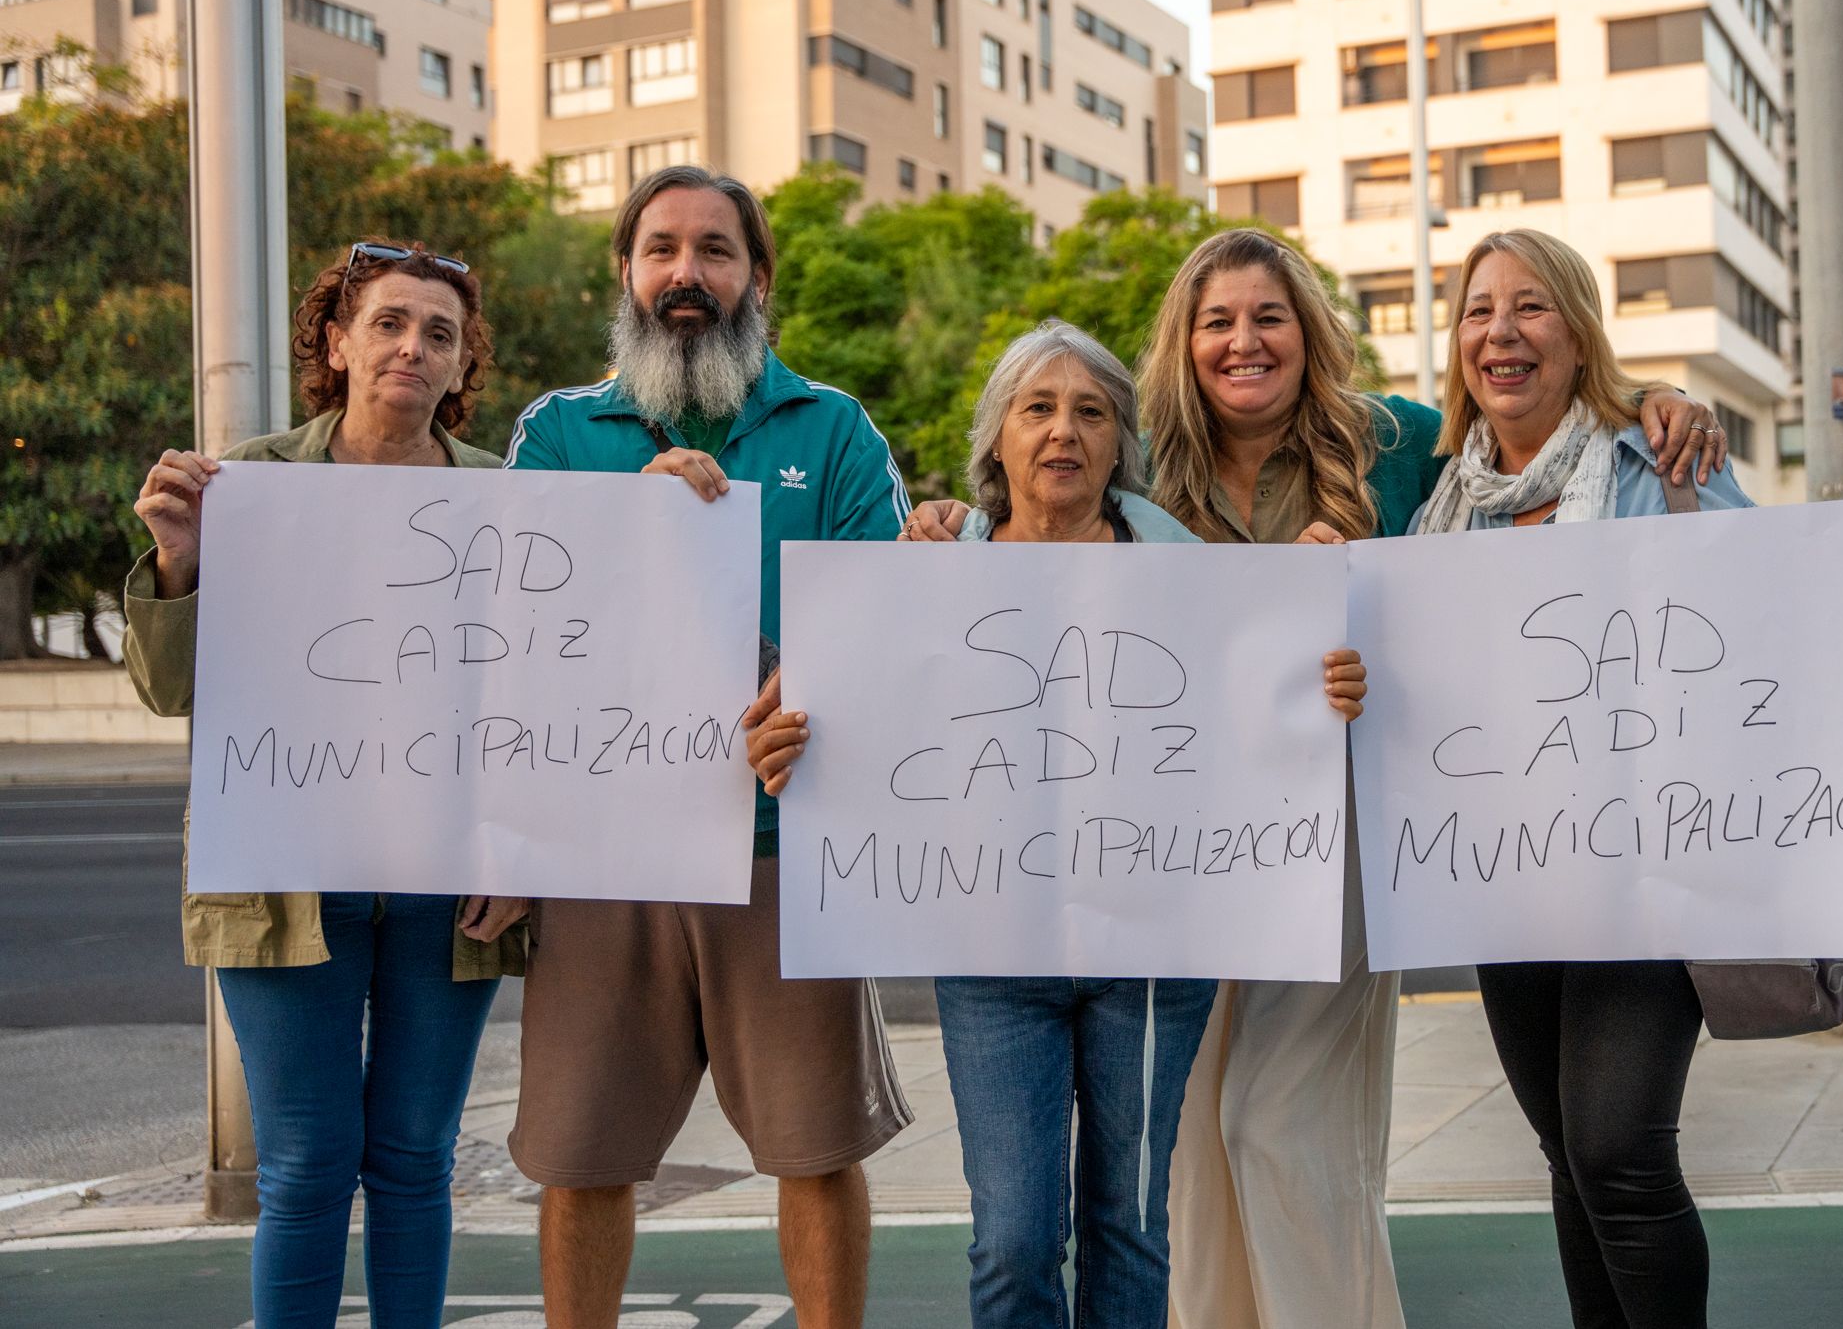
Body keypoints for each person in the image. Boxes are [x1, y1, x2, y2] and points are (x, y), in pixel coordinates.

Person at [907, 227, 1728, 1329]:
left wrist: (1656, 400)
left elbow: (1532, 436)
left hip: (1336, 837)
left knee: (1279, 1126)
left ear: (1308, 331)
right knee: (1191, 1144)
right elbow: (1035, 538)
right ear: (1184, 343)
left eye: (1269, 317)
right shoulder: (1146, 467)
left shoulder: (1398, 443)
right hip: (1180, 853)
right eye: (1216, 321)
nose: (1243, 341)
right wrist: (950, 524)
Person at [745, 319, 1371, 1329]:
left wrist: (1323, 682)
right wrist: (792, 750)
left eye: (1090, 411)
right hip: (989, 955)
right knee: (1015, 1235)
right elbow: (854, 731)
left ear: (1122, 442)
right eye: (1036, 408)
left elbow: (1269, 725)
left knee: (1131, 1224)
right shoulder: (923, 577)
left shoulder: (1203, 579)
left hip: (1154, 958)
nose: (1062, 431)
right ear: (995, 439)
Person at [1412, 227, 1843, 1328]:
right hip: (1509, 880)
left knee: (1618, 1149)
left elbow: (1777, 606)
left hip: (1650, 872)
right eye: (1477, 310)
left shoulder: (1661, 462)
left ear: (1578, 334)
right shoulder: (1440, 502)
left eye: (1530, 306)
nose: (1500, 331)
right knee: (1570, 1155)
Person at [501, 165, 912, 1329]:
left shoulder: (835, 428)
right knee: (582, 1157)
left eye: (716, 250)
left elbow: (889, 618)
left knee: (815, 1149)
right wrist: (633, 522)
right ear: (626, 272)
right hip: (605, 855)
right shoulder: (556, 432)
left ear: (758, 277)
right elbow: (508, 629)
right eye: (663, 249)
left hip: (784, 847)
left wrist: (815, 686)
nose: (687, 273)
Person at [124, 241, 529, 1329]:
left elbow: (546, 704)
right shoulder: (246, 484)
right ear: (337, 344)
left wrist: (524, 853)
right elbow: (167, 691)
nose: (412, 347)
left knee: (414, 1157)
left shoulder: (511, 499)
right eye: (389, 322)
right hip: (283, 878)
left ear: (462, 366)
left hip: (452, 886)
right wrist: (177, 561)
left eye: (439, 333)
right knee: (305, 1163)